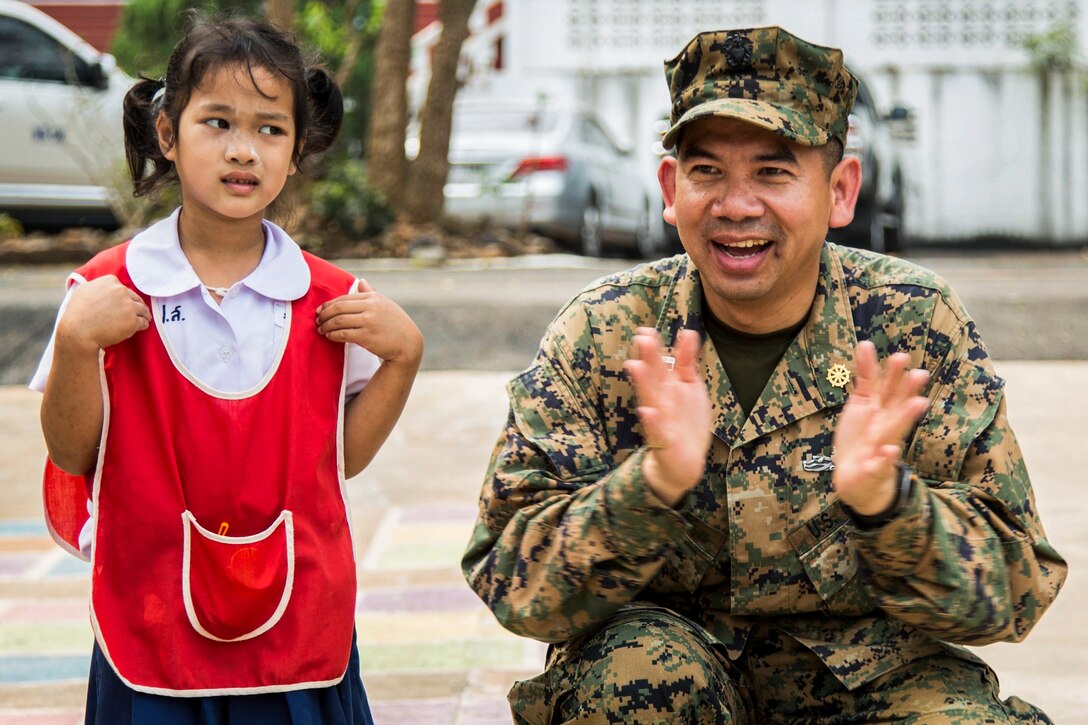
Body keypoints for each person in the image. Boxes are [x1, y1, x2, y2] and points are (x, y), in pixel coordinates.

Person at [462, 26, 1067, 723]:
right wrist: (647, 488)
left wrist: (890, 505)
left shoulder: (913, 325)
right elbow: (510, 578)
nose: (736, 205)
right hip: (671, 671)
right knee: (628, 685)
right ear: (670, 186)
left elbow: (1019, 585)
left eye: (773, 172)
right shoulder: (604, 333)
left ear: (841, 191)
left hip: (870, 679)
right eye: (707, 171)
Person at [32, 14, 423, 724]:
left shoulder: (333, 302)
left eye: (271, 129)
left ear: (298, 149)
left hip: (300, 635)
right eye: (217, 121)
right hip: (147, 632)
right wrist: (72, 346)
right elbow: (71, 452)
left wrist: (403, 359)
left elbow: (339, 461)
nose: (244, 150)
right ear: (167, 134)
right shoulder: (103, 292)